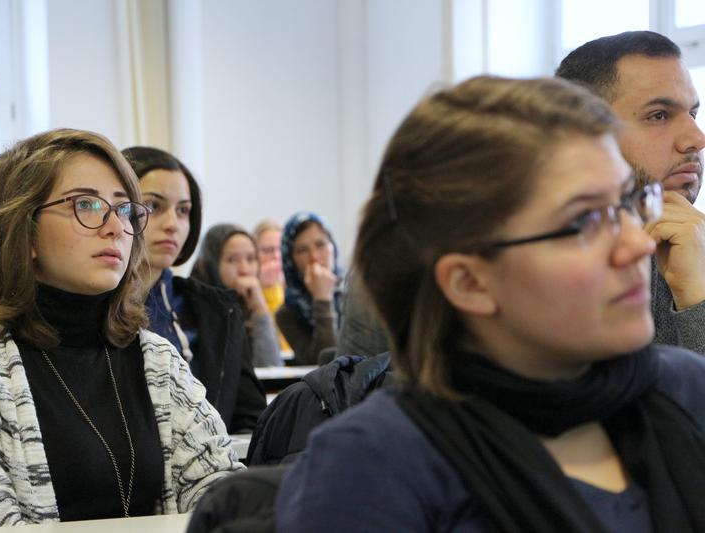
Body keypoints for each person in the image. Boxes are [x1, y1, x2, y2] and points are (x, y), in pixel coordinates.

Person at [275, 76, 705, 532]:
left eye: (628, 203)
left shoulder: (684, 390)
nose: (637, 245)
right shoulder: (372, 468)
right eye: (584, 221)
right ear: (469, 283)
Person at [0, 129, 242, 530]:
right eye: (86, 204)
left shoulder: (156, 358)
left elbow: (222, 496)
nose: (116, 228)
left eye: (124, 210)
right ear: (23, 229)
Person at [556, 30, 705, 354]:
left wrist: (698, 298)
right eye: (659, 116)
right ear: (583, 131)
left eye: (692, 113)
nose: (696, 138)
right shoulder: (544, 262)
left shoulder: (697, 242)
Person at [121, 146, 266, 433]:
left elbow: (248, 419)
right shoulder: (87, 308)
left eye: (183, 210)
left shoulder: (219, 312)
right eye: (154, 206)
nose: (173, 224)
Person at [191, 223, 283, 367]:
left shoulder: (251, 308)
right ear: (212, 265)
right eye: (232, 260)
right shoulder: (191, 310)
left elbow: (271, 368)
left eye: (251, 259)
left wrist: (260, 309)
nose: (244, 270)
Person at [276, 212, 342, 366]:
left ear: (332, 246)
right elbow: (328, 365)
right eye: (303, 250)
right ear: (290, 259)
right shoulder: (287, 313)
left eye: (321, 245)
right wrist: (323, 300)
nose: (314, 257)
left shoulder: (357, 292)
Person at [254, 219, 291, 352]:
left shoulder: (296, 291)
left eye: (281, 249)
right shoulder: (248, 295)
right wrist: (267, 290)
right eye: (267, 250)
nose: (276, 256)